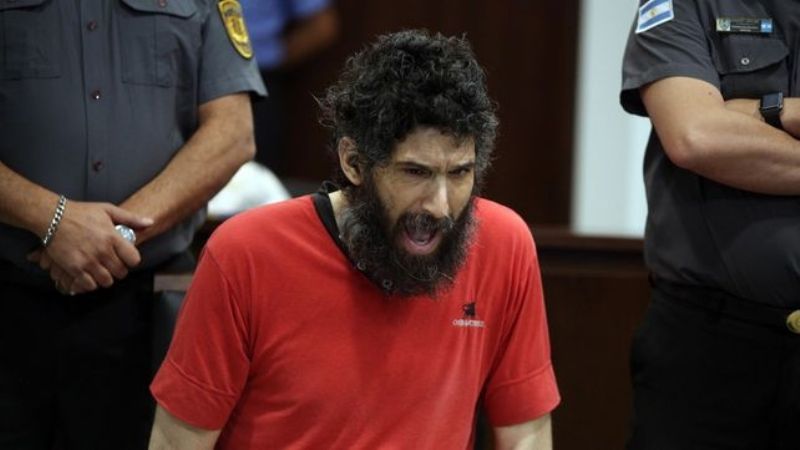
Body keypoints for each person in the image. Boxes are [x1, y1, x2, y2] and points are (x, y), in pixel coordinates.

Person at [148, 30, 560, 449]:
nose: (440, 206)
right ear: (353, 161)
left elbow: (526, 435)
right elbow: (176, 443)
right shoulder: (245, 253)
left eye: (459, 173)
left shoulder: (503, 244)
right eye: (415, 172)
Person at [0, 1, 266, 449]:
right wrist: (50, 218)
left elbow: (233, 133)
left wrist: (111, 239)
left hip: (143, 305)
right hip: (9, 290)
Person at [620, 0, 800, 448]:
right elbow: (695, 137)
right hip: (710, 344)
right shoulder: (689, 5)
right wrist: (782, 113)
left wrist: (761, 112)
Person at [240, 0, 339, 173]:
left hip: (259, 80)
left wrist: (274, 58)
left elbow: (321, 26)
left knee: (255, 175)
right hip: (196, 74)